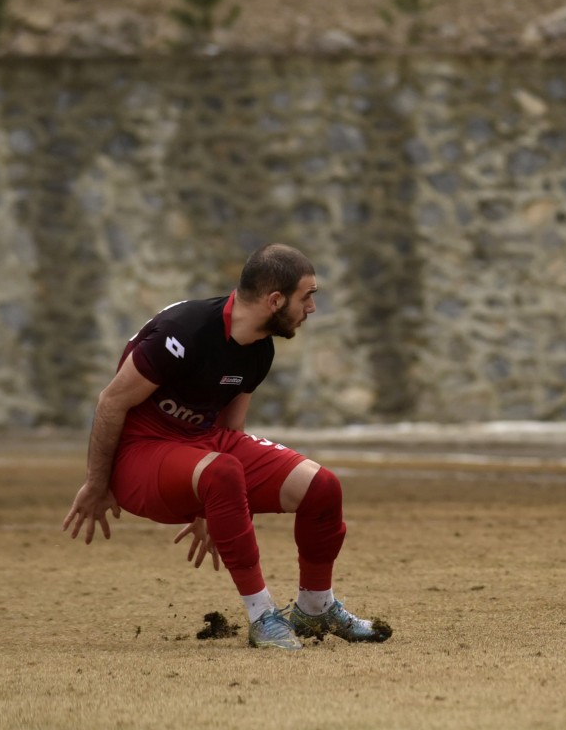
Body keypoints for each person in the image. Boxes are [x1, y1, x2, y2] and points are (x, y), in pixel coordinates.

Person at [62, 243, 392, 651]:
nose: (311, 308)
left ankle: (315, 608)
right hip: (140, 453)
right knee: (222, 471)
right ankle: (262, 617)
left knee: (322, 487)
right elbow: (111, 402)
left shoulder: (260, 349)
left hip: (199, 445)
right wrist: (96, 483)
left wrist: (213, 507)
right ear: (275, 300)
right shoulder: (185, 331)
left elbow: (231, 432)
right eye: (307, 297)